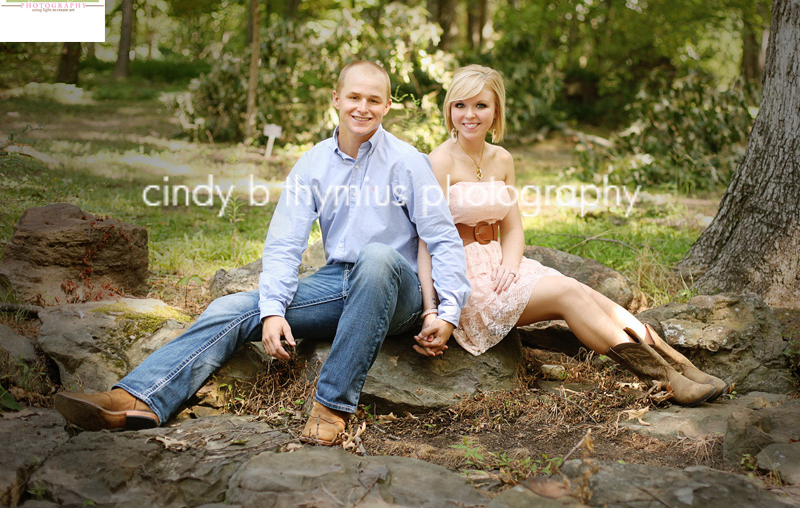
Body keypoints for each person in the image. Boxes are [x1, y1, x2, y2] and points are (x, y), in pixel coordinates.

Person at [55, 61, 470, 444]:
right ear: (336, 99)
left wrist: (449, 313)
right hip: (338, 282)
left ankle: (331, 405)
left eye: (374, 100)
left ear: (387, 106)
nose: (363, 108)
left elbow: (442, 237)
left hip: (398, 289)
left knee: (377, 257)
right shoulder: (312, 164)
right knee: (232, 307)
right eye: (354, 98)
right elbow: (284, 243)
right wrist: (273, 309)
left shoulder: (407, 161)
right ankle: (138, 399)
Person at [414, 64, 728, 406]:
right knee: (567, 292)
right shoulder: (439, 162)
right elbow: (426, 243)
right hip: (468, 283)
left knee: (591, 295)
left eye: (480, 105)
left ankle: (684, 368)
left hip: (501, 268)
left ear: (496, 110)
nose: (469, 115)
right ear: (449, 110)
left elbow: (514, 226)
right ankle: (665, 379)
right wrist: (434, 310)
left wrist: (511, 262)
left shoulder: (502, 159)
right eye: (460, 105)